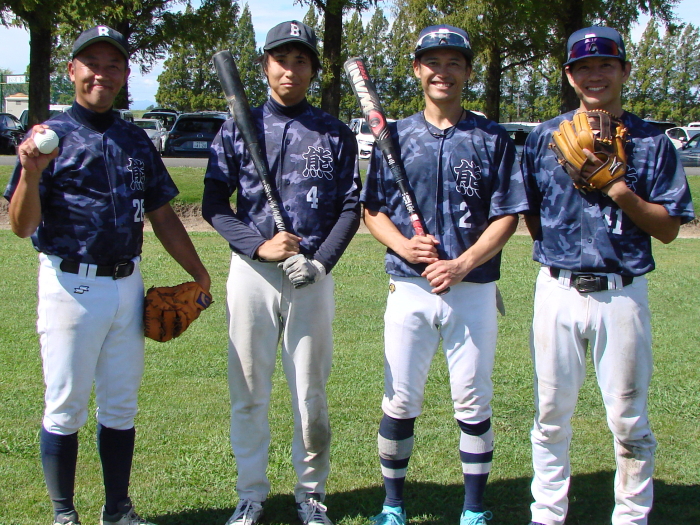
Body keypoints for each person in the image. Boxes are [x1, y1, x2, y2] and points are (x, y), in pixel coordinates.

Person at [4, 25, 211, 525]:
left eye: (113, 65)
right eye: (91, 63)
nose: (102, 73)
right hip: (70, 286)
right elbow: (21, 226)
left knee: (120, 405)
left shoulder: (134, 138)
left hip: (128, 284)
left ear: (124, 75)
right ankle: (64, 514)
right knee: (65, 405)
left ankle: (117, 509)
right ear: (72, 70)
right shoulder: (49, 138)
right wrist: (31, 172)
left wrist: (200, 274)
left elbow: (161, 214)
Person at [521, 26, 695, 525]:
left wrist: (618, 189)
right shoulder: (544, 137)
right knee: (550, 414)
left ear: (624, 70)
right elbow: (530, 213)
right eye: (583, 67)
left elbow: (668, 229)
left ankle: (632, 516)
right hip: (557, 288)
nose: (594, 75)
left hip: (622, 293)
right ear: (569, 75)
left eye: (605, 64)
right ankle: (547, 514)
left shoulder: (653, 142)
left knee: (628, 417)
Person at [360, 25, 529, 525]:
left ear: (468, 72)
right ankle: (392, 505)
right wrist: (403, 245)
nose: (443, 72)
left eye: (454, 62)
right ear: (418, 70)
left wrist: (463, 263)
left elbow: (507, 215)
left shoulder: (491, 138)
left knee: (473, 402)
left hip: (471, 288)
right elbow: (373, 210)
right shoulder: (395, 137)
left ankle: (474, 510)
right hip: (409, 287)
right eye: (433, 62)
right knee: (400, 399)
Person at [201, 20, 361, 525]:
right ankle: (250, 493)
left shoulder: (334, 132)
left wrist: (320, 262)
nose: (289, 69)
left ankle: (311, 493)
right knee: (248, 391)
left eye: (300, 60)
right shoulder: (238, 125)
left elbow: (351, 207)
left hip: (310, 275)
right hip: (253, 274)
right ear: (264, 65)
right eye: (280, 59)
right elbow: (213, 204)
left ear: (312, 69)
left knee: (310, 394)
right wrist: (258, 246)